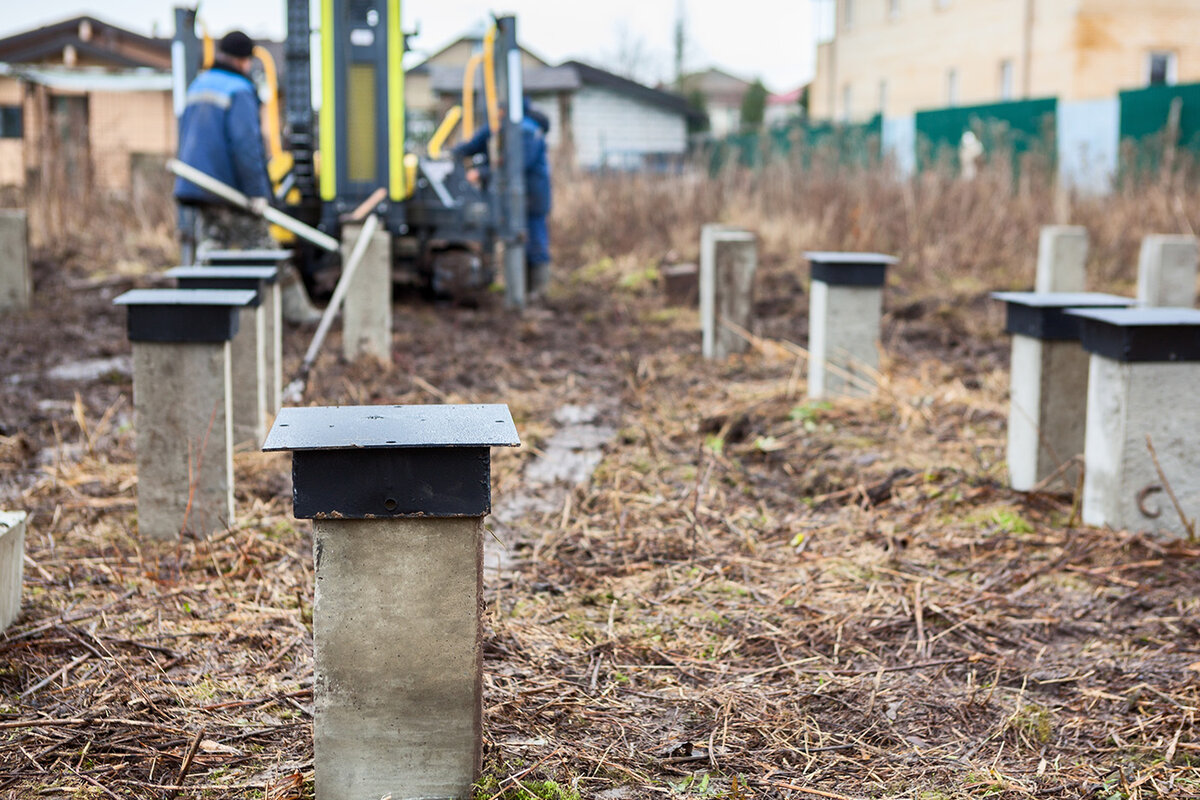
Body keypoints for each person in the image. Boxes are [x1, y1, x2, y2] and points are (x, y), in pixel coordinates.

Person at [174, 31, 320, 322]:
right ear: (244, 60)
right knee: (265, 248)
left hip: (199, 187)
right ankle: (299, 313)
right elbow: (246, 146)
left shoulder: (198, 85)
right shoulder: (239, 89)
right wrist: (258, 193)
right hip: (229, 189)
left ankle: (200, 313)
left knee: (212, 247)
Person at [453, 99, 553, 295]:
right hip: (522, 194)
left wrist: (482, 173)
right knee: (522, 238)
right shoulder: (511, 128)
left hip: (532, 195)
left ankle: (539, 290)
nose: (497, 115)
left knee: (534, 239)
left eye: (499, 111)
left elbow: (516, 165)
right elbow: (479, 144)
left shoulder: (525, 131)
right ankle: (524, 289)